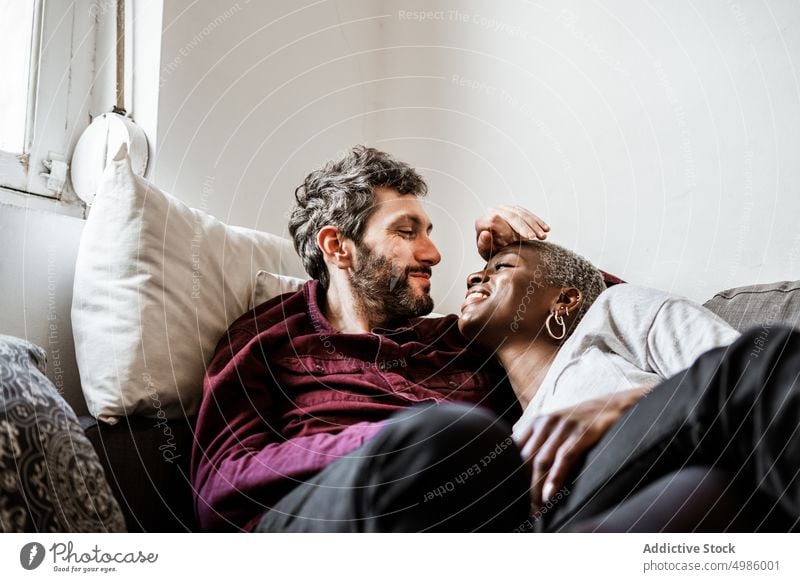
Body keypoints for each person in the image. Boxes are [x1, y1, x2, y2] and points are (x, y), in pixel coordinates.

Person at [190, 145, 548, 532]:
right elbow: (221, 485)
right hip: (327, 518)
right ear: (338, 247)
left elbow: (600, 316)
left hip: (480, 515)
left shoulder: (459, 337)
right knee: (454, 432)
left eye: (427, 233)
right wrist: (395, 438)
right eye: (407, 232)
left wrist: (523, 254)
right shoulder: (268, 338)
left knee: (625, 429)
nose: (433, 254)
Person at [458, 239, 800, 531]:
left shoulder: (611, 310)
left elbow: (741, 371)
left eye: (502, 266)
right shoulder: (507, 438)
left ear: (565, 300)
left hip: (658, 470)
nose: (475, 276)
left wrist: (628, 404)